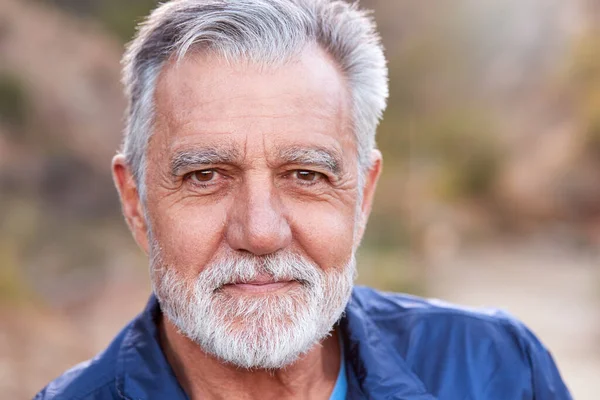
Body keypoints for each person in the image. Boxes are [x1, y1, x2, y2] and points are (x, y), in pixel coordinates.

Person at [35, 0, 572, 399]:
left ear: (362, 196)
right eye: (205, 176)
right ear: (135, 202)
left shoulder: (498, 371)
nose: (262, 232)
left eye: (306, 175)